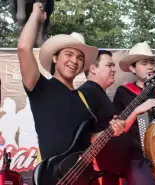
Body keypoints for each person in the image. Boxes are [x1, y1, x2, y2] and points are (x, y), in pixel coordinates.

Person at [17, 1, 125, 174]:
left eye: (80, 58)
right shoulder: (40, 87)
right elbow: (23, 48)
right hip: (52, 177)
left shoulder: (84, 98)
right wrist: (36, 14)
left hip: (83, 177)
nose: (74, 61)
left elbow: (91, 139)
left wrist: (112, 131)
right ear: (55, 58)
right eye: (68, 54)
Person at [79, 50, 155, 185]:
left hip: (112, 170)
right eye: (109, 65)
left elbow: (114, 130)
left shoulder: (98, 92)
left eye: (113, 66)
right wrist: (137, 111)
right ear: (93, 68)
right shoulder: (88, 92)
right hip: (99, 171)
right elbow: (88, 136)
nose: (113, 69)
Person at [113, 41, 155, 185]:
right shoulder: (123, 92)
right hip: (137, 158)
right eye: (144, 63)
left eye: (152, 62)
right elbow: (117, 130)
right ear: (133, 68)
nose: (150, 67)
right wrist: (137, 111)